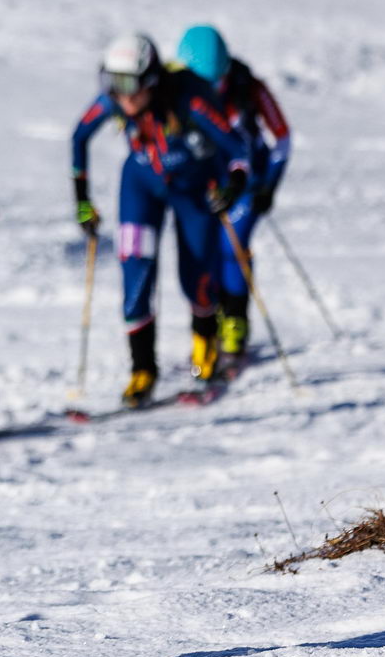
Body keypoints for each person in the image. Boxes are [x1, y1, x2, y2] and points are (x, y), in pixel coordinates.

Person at [70, 33, 252, 408]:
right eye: (113, 86)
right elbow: (79, 137)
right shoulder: (115, 101)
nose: (123, 97)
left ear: (152, 80)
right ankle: (142, 369)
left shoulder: (192, 100)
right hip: (140, 185)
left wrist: (233, 184)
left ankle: (206, 349)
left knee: (196, 274)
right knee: (135, 272)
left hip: (192, 188)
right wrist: (82, 201)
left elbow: (237, 149)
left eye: (131, 87)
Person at [170, 26, 292, 368]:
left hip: (248, 183)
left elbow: (282, 137)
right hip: (206, 184)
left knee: (230, 245)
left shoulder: (248, 88)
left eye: (214, 82)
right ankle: (209, 325)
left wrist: (269, 184)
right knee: (202, 252)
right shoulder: (176, 93)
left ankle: (235, 320)